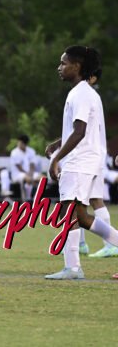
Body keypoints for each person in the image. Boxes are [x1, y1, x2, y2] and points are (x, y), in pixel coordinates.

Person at [44, 46, 118, 280]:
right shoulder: (85, 92)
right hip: (88, 160)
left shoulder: (81, 93)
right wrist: (58, 143)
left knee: (69, 214)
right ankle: (74, 266)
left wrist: (56, 158)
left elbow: (80, 131)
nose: (60, 67)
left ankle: (73, 268)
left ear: (77, 66)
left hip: (80, 161)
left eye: (64, 63)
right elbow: (80, 129)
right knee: (81, 217)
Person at [74, 69, 118, 258]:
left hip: (88, 155)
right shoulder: (91, 97)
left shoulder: (86, 96)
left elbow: (82, 129)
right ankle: (84, 244)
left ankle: (111, 243)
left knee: (79, 201)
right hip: (93, 153)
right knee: (88, 200)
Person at [10, 135, 41, 200]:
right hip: (18, 174)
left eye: (20, 143)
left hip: (30, 173)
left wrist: (31, 173)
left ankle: (36, 197)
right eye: (18, 142)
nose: (18, 144)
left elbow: (32, 164)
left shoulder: (31, 151)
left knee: (43, 179)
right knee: (28, 179)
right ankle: (27, 199)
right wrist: (29, 175)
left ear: (25, 144)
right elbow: (19, 167)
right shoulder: (14, 152)